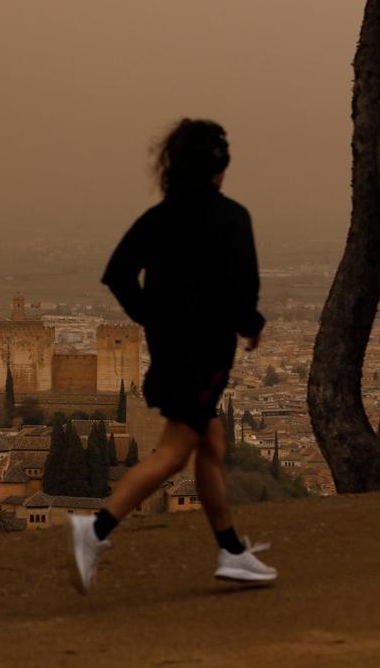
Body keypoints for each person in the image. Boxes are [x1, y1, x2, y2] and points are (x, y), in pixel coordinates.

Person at [69, 118, 277, 595]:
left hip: (170, 349)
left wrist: (150, 317)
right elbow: (242, 290)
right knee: (174, 452)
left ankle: (231, 550)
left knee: (212, 445)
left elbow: (118, 273)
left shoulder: (157, 219)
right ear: (217, 166)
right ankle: (94, 531)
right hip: (206, 353)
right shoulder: (230, 218)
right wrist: (251, 328)